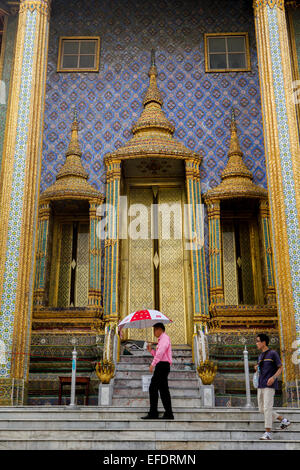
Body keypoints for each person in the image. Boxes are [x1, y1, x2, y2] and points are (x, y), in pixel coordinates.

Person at [255, 333, 291, 440]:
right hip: (260, 385)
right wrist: (258, 367)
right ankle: (283, 420)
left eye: (258, 341)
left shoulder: (273, 354)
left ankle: (268, 433)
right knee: (262, 409)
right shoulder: (260, 356)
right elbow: (262, 369)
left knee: (267, 408)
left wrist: (274, 378)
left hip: (269, 385)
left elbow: (280, 368)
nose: (256, 343)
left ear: (263, 342)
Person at [141, 323, 174, 420]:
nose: (154, 332)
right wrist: (151, 350)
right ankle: (168, 413)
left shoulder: (164, 338)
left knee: (153, 388)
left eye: (155, 329)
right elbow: (158, 354)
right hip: (163, 365)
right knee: (163, 390)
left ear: (160, 329)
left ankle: (154, 413)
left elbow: (160, 353)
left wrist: (153, 364)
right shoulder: (162, 340)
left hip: (162, 366)